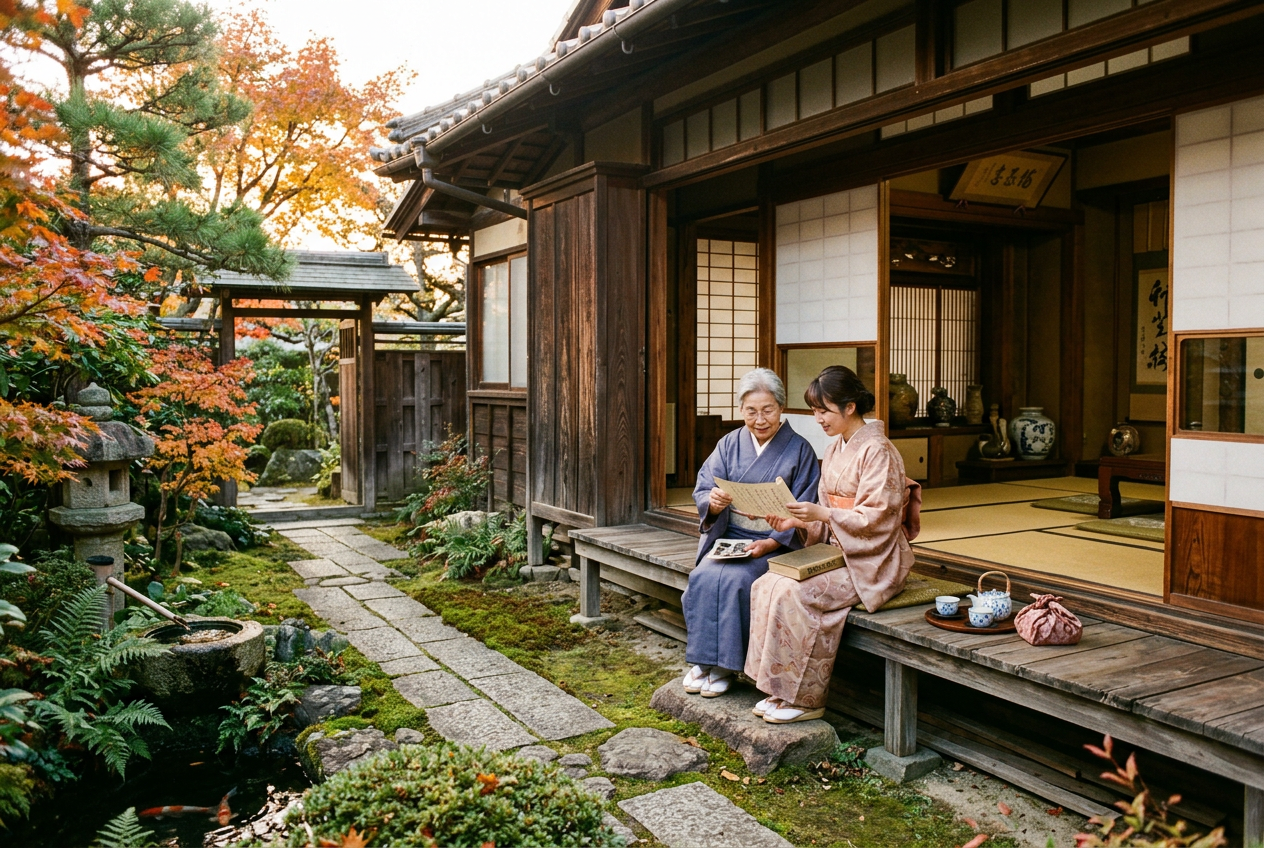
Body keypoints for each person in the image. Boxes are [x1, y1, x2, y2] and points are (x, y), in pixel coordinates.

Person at [745, 365, 920, 723]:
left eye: (823, 410)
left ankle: (807, 699)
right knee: (767, 583)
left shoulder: (878, 451)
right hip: (839, 550)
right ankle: (777, 689)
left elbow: (878, 519)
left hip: (874, 560)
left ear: (850, 406)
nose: (818, 418)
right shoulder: (836, 448)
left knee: (795, 594)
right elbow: (823, 517)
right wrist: (796, 521)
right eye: (814, 410)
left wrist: (822, 514)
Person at [681, 368, 820, 698]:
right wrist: (713, 503)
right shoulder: (729, 444)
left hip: (775, 543)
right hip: (730, 537)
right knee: (703, 576)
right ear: (741, 410)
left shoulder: (799, 450)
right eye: (751, 411)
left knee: (738, 582)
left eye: (768, 409)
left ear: (781, 407)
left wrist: (771, 541)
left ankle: (726, 666)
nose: (760, 419)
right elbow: (704, 488)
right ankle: (703, 661)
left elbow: (807, 506)